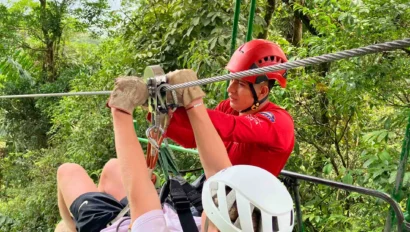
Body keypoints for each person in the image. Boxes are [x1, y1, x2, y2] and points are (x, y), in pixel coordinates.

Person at [56, 70, 294, 232]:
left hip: (118, 223)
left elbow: (140, 188)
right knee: (112, 168)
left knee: (68, 171)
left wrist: (121, 110)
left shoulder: (279, 120)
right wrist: (193, 103)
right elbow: (220, 172)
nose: (231, 89)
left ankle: (73, 226)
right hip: (166, 213)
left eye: (239, 83)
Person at [164, 39, 295, 177]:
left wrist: (193, 102)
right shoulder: (229, 107)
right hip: (220, 188)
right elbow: (195, 137)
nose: (230, 89)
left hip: (247, 196)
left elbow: (231, 127)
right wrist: (162, 113)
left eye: (241, 84)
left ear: (262, 92)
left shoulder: (279, 123)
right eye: (232, 79)